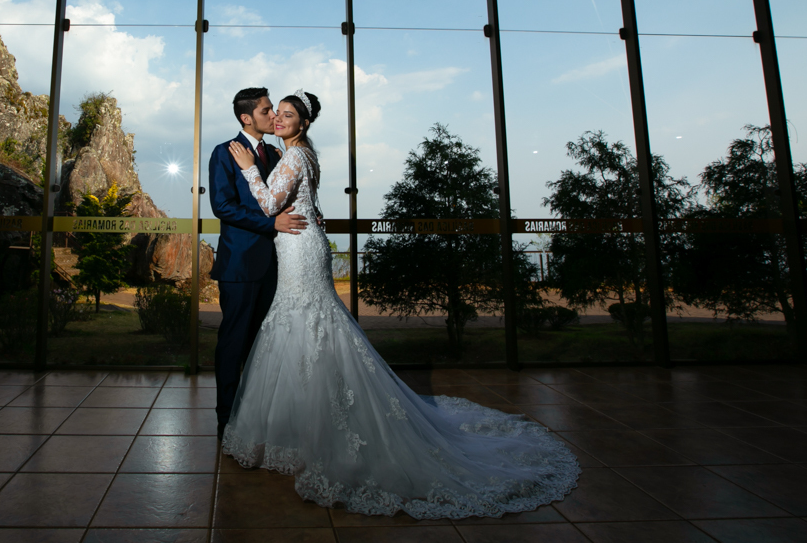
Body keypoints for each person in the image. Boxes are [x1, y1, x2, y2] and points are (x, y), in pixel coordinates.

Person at [221, 89, 580, 519]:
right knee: (306, 326)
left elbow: (267, 204)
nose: (279, 119)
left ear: (304, 123)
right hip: (303, 245)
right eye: (276, 113)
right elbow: (307, 203)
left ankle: (311, 431)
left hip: (299, 249)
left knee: (306, 324)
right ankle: (300, 429)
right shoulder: (303, 154)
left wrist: (249, 170)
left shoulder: (294, 155)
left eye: (287, 114)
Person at [209, 87, 308, 441]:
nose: (273, 116)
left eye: (274, 110)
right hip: (239, 265)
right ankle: (226, 420)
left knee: (262, 345)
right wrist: (271, 224)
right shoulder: (224, 152)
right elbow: (222, 207)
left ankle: (255, 416)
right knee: (233, 343)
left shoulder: (277, 153)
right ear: (246, 117)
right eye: (267, 110)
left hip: (276, 264)